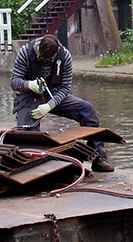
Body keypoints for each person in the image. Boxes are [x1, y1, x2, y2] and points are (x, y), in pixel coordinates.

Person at [9, 34, 113, 172]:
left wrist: (50, 105)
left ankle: (98, 157)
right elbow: (14, 81)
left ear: (56, 52)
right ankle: (33, 164)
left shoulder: (65, 57)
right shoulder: (25, 52)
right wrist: (29, 85)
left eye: (48, 60)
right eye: (41, 58)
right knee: (29, 135)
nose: (44, 61)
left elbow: (65, 88)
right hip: (29, 96)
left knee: (87, 110)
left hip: (54, 94)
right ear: (38, 49)